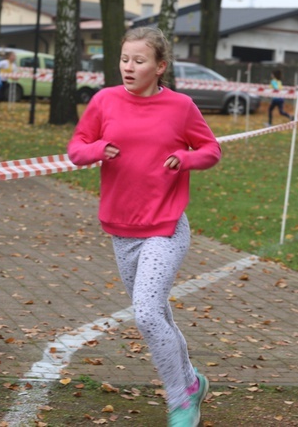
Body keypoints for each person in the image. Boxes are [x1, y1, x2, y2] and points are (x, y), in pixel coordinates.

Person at [67, 27, 221, 427]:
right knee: (158, 313)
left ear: (160, 66)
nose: (129, 67)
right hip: (122, 228)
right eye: (124, 59)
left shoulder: (181, 106)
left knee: (147, 314)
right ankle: (192, 382)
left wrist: (184, 159)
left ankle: (181, 399)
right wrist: (98, 149)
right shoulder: (104, 101)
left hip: (166, 226)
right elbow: (76, 149)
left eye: (139, 61)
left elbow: (211, 150)